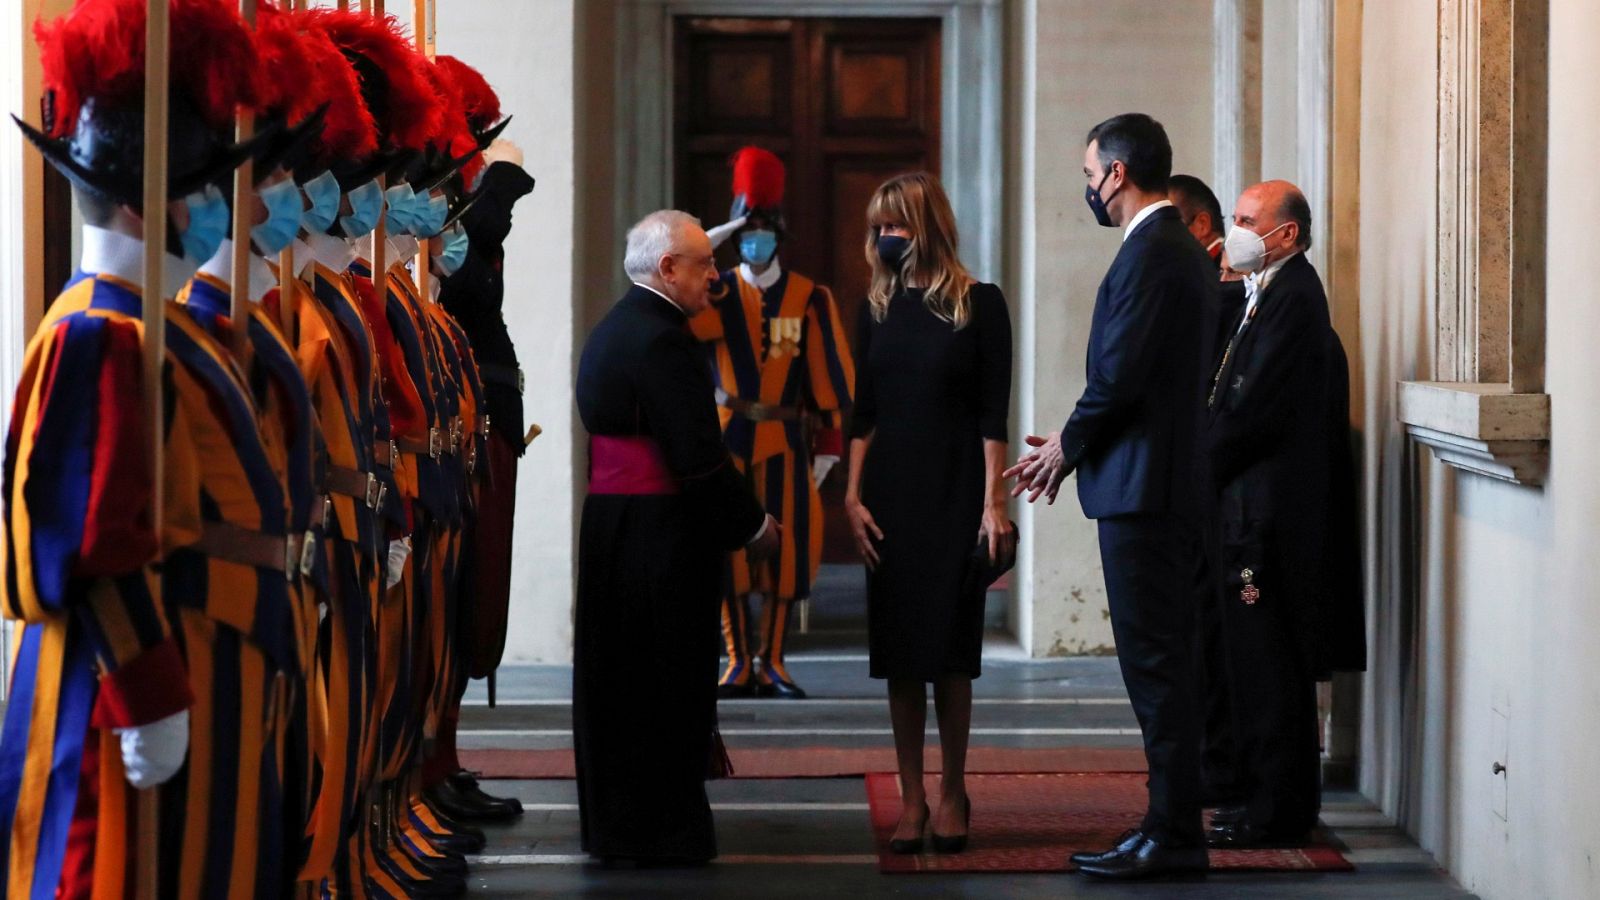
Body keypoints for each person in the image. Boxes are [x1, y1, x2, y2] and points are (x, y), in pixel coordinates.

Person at [2, 1, 300, 894]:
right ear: (142, 200)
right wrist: (150, 696)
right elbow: (90, 540)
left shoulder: (161, 328)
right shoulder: (100, 334)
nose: (220, 209)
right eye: (203, 188)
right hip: (156, 665)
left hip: (220, 642)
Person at [1005, 113, 1216, 879]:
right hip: (1151, 483)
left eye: (1090, 174)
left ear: (1118, 174)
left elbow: (1120, 376)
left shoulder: (1156, 251)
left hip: (1147, 491)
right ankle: (1166, 823)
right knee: (1159, 664)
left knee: (1157, 666)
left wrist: (1066, 445)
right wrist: (1072, 448)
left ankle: (1174, 835)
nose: (1088, 188)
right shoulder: (1172, 248)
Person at [574, 210, 780, 865]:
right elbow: (698, 456)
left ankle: (619, 826)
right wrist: (754, 525)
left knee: (619, 682)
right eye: (701, 265)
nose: (713, 276)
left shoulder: (617, 326)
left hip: (615, 528)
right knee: (662, 682)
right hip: (659, 536)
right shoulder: (663, 340)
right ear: (667, 269)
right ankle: (660, 831)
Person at [844, 172, 1014, 856]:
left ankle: (952, 789)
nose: (887, 238)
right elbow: (865, 414)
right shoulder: (875, 309)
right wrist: (852, 497)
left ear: (929, 228)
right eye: (879, 227)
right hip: (889, 492)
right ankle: (910, 795)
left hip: (954, 489)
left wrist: (993, 502)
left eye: (899, 225)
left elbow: (990, 415)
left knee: (949, 652)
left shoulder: (981, 304)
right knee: (900, 654)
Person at [1202, 179, 1366, 849]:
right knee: (1255, 664)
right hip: (1251, 510)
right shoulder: (1263, 294)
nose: (1231, 230)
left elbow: (1252, 409)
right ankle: (1265, 799)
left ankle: (1279, 811)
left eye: (1244, 219)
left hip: (1269, 517)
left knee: (1273, 668)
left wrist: (1195, 463)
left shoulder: (1295, 300)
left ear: (1286, 235)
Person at [697, 146, 856, 700]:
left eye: (763, 230)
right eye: (747, 230)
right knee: (728, 548)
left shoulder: (811, 298)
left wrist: (830, 446)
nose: (754, 239)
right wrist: (708, 246)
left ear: (779, 234)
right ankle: (739, 660)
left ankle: (775, 661)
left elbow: (828, 378)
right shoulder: (712, 290)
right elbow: (669, 314)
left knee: (790, 550)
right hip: (727, 438)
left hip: (789, 440)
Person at [1166, 171, 1245, 818]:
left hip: (1219, 491)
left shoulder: (1221, 289)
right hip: (1197, 484)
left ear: (1198, 227)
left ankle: (1218, 766)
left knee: (1213, 639)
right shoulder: (1202, 284)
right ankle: (1208, 760)